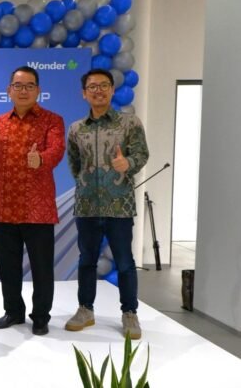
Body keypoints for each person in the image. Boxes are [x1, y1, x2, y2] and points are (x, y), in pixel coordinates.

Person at [64, 69, 149, 340]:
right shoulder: (76, 128)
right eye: (92, 86)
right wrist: (87, 184)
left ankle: (130, 313)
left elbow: (142, 153)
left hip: (119, 205)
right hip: (87, 206)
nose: (98, 90)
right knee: (86, 260)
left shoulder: (129, 123)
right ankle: (85, 310)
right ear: (84, 93)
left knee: (124, 261)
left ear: (112, 90)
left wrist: (128, 163)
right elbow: (74, 164)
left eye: (104, 85)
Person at [0, 66, 65, 336]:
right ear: (9, 91)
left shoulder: (52, 120)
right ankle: (13, 312)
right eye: (18, 86)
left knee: (42, 269)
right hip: (4, 208)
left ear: (38, 90)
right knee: (7, 268)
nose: (24, 91)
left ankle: (40, 317)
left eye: (30, 85)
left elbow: (57, 150)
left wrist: (41, 159)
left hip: (37, 209)